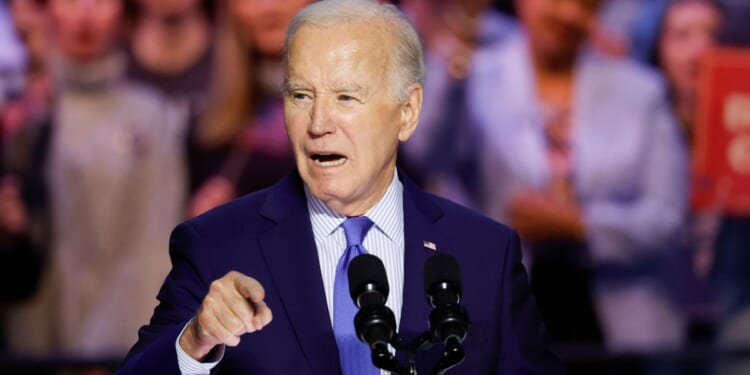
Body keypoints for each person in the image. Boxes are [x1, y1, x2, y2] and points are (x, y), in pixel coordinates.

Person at [116, 0, 562, 374]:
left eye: (346, 97)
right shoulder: (217, 246)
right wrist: (194, 342)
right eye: (300, 96)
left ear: (407, 112)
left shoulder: (484, 253)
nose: (317, 124)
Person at [468, 0, 688, 360]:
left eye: (580, 3)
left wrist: (576, 224)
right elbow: (428, 155)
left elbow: (667, 220)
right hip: (498, 321)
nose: (564, 12)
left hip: (623, 335)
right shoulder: (474, 77)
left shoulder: (641, 91)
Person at [3, 0, 186, 359]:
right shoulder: (21, 117)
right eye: (69, 1)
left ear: (125, 12)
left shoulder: (149, 116)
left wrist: (113, 352)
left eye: (101, 1)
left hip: (115, 351)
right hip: (27, 348)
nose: (84, 15)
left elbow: (152, 250)